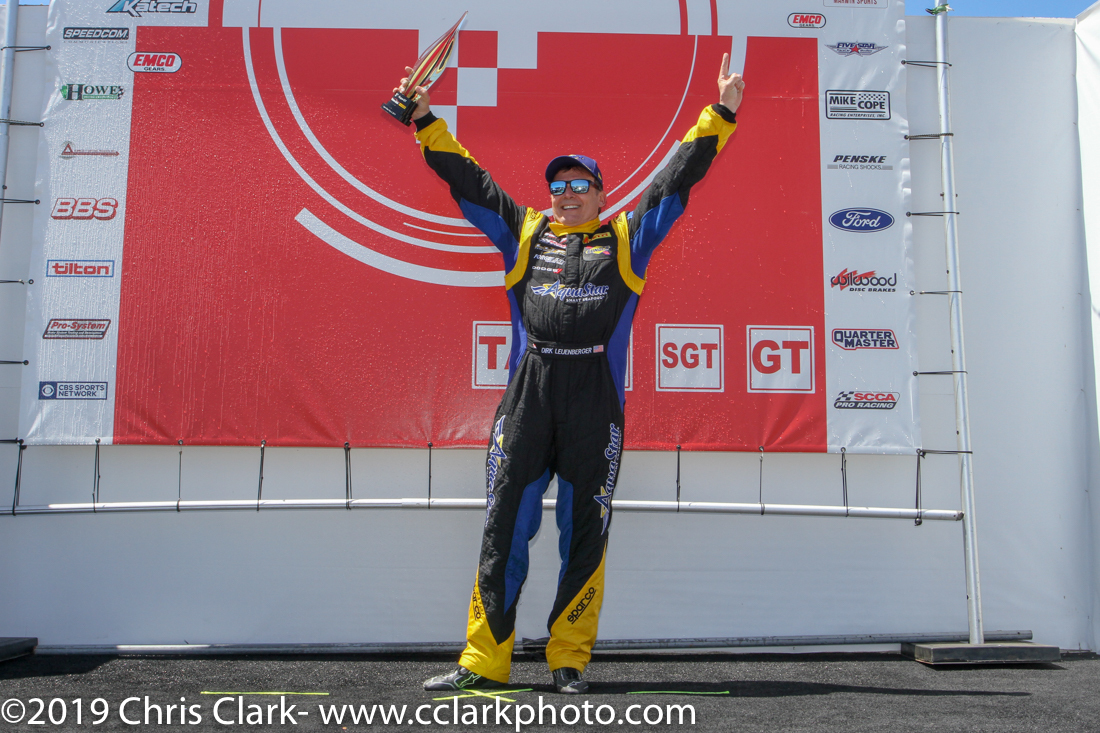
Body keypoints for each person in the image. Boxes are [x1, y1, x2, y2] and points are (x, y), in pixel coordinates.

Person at [399, 54, 745, 694]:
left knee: (585, 532)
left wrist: (720, 112)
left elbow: (675, 179)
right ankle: (484, 662)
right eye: (558, 186)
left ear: (601, 194)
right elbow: (471, 183)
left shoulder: (629, 237)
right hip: (528, 399)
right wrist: (425, 121)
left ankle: (568, 660)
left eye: (580, 184)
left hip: (595, 402)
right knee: (504, 525)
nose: (567, 193)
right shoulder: (524, 233)